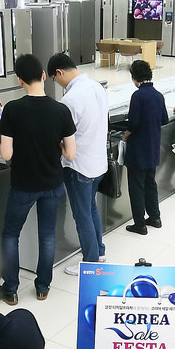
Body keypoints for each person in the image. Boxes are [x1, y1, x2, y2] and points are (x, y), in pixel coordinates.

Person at [0, 54, 77, 305]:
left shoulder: (12, 110)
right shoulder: (61, 110)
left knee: (11, 235)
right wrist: (56, 148)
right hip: (53, 184)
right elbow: (71, 153)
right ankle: (42, 287)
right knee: (48, 236)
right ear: (44, 76)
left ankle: (10, 289)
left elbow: (6, 154)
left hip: (22, 184)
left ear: (20, 80)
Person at [48, 52, 109, 275]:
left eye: (56, 79)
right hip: (98, 164)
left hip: (78, 168)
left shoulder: (70, 100)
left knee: (82, 216)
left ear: (59, 73)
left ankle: (90, 263)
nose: (58, 83)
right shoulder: (97, 87)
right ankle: (99, 251)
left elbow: (63, 138)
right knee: (91, 209)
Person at [123, 59, 168, 235]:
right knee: (150, 184)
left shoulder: (138, 96)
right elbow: (164, 119)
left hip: (138, 150)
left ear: (135, 77)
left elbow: (133, 123)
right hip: (153, 149)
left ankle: (140, 224)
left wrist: (126, 135)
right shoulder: (158, 95)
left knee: (136, 187)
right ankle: (155, 218)